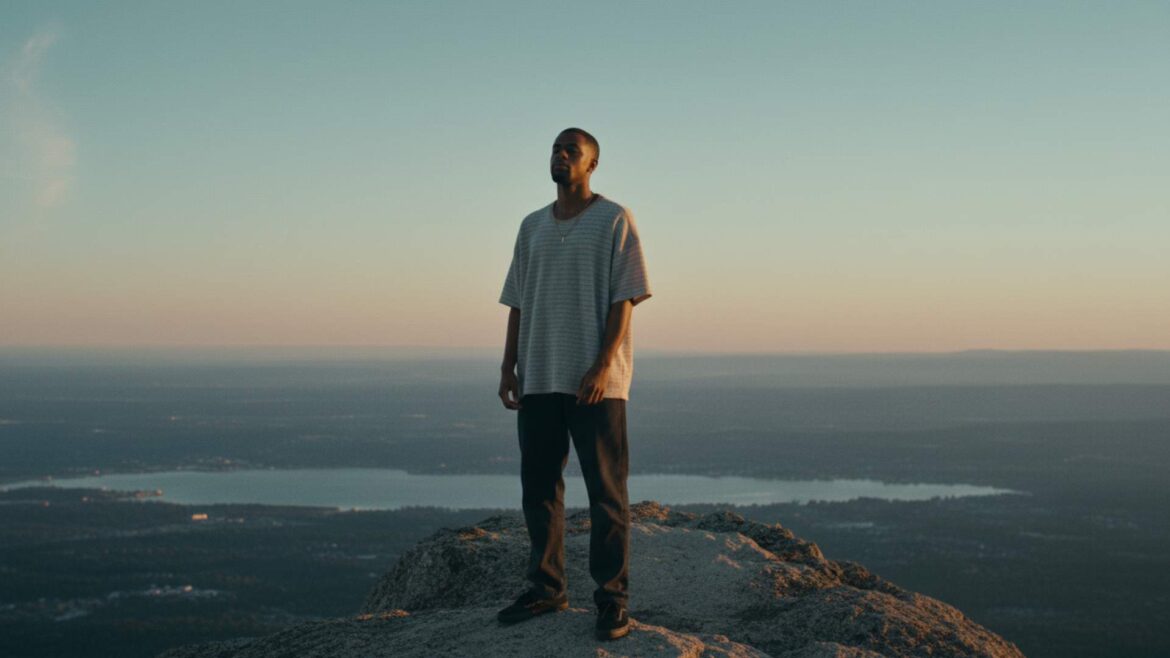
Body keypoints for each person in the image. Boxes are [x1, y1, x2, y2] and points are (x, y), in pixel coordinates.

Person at [495, 127, 652, 641]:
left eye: (572, 151)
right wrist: (507, 367)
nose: (560, 156)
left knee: (607, 494)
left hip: (595, 385)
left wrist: (603, 365)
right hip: (539, 376)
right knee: (539, 488)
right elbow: (517, 301)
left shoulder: (613, 220)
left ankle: (612, 601)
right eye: (555, 150)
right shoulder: (531, 226)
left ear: (591, 165)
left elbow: (624, 299)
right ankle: (546, 588)